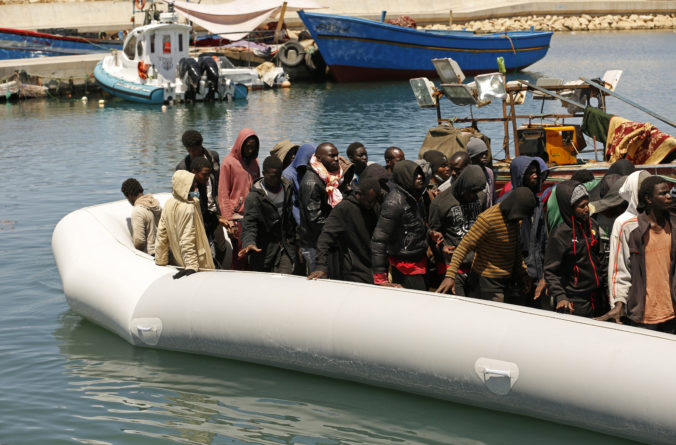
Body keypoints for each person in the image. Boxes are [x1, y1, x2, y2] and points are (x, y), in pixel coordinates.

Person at [436, 187, 536, 303]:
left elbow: (515, 248)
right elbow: (463, 247)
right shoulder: (487, 220)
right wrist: (450, 275)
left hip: (505, 278)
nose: (520, 219)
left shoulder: (515, 219)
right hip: (487, 281)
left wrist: (523, 273)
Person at [372, 160, 443, 290]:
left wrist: (430, 234)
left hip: (420, 260)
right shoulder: (394, 203)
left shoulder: (417, 198)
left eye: (420, 174)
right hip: (404, 267)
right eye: (415, 175)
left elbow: (414, 225)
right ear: (405, 177)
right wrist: (380, 277)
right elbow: (379, 240)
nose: (420, 177)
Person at [622, 176, 676, 332]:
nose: (668, 196)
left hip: (672, 311)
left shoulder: (673, 226)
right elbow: (622, 270)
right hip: (643, 314)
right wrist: (619, 303)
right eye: (663, 193)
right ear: (648, 199)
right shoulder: (632, 230)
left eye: (669, 193)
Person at [543, 180, 605, 317]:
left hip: (598, 298)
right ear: (569, 208)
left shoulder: (593, 225)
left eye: (587, 204)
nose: (587, 209)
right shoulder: (560, 235)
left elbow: (601, 259)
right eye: (581, 206)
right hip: (575, 302)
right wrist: (560, 296)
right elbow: (550, 271)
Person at [597, 170, 650, 322]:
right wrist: (618, 302)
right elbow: (619, 267)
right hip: (637, 303)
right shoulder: (624, 223)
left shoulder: (662, 218)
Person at [308, 177, 382, 283]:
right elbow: (325, 238)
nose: (372, 205)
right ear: (359, 194)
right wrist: (321, 266)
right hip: (354, 270)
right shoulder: (344, 209)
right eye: (369, 201)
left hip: (372, 267)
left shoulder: (375, 208)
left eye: (375, 201)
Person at [428, 165, 486, 296]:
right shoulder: (440, 203)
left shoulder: (480, 197)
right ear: (463, 186)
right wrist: (440, 246)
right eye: (471, 192)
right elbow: (432, 233)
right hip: (452, 268)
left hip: (476, 266)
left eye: (476, 192)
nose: (473, 196)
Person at [238, 156, 297, 273]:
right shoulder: (254, 197)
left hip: (284, 246)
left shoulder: (287, 188)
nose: (276, 180)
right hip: (263, 250)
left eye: (278, 176)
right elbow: (249, 224)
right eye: (272, 176)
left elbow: (290, 217)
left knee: (284, 278)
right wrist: (249, 243)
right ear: (263, 173)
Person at [155, 170, 215, 278]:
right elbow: (187, 237)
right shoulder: (188, 208)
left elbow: (162, 234)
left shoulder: (169, 203)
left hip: (179, 258)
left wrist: (161, 260)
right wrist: (191, 265)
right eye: (192, 185)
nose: (195, 187)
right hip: (197, 262)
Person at [298, 142, 346, 273]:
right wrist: (339, 226)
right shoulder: (312, 183)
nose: (336, 159)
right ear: (319, 159)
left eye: (337, 155)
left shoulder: (329, 178)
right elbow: (315, 219)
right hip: (314, 244)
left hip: (324, 240)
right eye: (331, 156)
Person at [218, 128, 260, 268]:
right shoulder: (228, 162)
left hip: (251, 214)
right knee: (239, 254)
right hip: (236, 216)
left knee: (250, 253)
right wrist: (229, 219)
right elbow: (223, 192)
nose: (249, 150)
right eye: (247, 147)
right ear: (240, 145)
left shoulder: (255, 162)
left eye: (253, 147)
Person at [121, 178, 161, 256]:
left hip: (151, 255)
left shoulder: (137, 211)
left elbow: (139, 241)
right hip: (164, 251)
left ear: (129, 195)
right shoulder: (155, 204)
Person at [176, 130, 221, 196]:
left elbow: (219, 181)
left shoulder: (213, 157)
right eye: (189, 150)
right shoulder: (183, 168)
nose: (192, 153)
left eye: (194, 150)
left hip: (215, 203)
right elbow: (180, 193)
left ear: (201, 145)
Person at [282, 143, 316, 225]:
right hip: (294, 221)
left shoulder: (308, 172)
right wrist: (300, 225)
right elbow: (292, 204)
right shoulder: (287, 175)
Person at [466, 137, 495, 208]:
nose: (484, 156)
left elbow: (493, 196)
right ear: (472, 157)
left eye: (486, 153)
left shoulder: (489, 172)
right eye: (481, 154)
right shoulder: (468, 175)